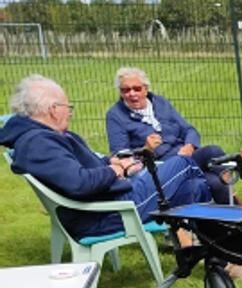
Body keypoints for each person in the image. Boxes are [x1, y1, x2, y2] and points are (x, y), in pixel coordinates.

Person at [0, 75, 210, 245]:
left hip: (113, 197)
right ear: (53, 110)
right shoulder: (39, 143)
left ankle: (210, 255)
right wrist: (115, 170)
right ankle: (221, 250)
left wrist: (120, 166)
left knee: (196, 186)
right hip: (105, 213)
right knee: (183, 164)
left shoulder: (46, 136)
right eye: (67, 107)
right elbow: (79, 183)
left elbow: (83, 170)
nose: (70, 113)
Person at [105, 67, 234, 205]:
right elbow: (120, 157)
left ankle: (233, 216)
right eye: (126, 90)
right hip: (160, 166)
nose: (131, 94)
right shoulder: (115, 115)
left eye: (136, 88)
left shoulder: (160, 103)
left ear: (145, 89)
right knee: (213, 178)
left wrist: (189, 146)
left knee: (214, 166)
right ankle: (238, 211)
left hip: (184, 155)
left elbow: (189, 129)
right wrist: (146, 149)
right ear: (120, 92)